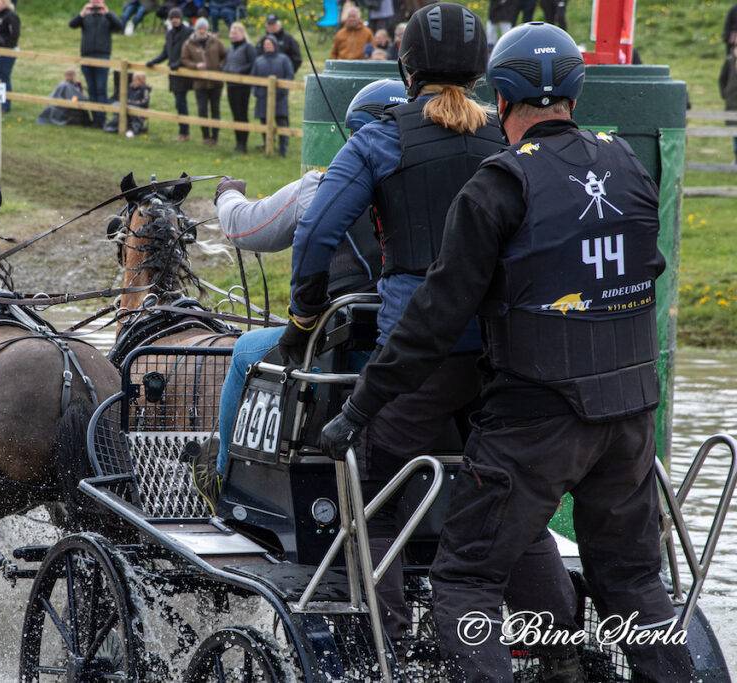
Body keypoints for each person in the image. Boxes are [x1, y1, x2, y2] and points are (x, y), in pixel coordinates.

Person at [317, 19, 696, 681]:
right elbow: (646, 269)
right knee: (635, 580)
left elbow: (434, 318)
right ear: (575, 94)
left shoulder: (501, 182)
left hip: (537, 415)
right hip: (632, 412)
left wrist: (358, 409)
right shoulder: (627, 164)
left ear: (501, 98)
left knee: (465, 578)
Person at [284, 5, 581, 663]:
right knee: (511, 498)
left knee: (374, 496)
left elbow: (315, 235)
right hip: (505, 359)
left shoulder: (381, 139)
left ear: (405, 68)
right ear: (484, 74)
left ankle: (383, 652)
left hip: (415, 358)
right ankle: (561, 649)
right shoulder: (510, 140)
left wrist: (304, 317)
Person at [204, 79, 405, 486]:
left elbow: (244, 226)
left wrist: (227, 194)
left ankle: (222, 477)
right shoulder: (433, 188)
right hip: (410, 345)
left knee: (244, 351)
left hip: (339, 346)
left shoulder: (321, 185)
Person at [70, 0, 121, 127]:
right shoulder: (85, 16)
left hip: (102, 56)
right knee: (91, 89)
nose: (96, 3)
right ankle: (95, 120)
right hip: (86, 56)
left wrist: (107, 13)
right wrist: (82, 13)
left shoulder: (108, 16)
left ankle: (101, 119)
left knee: (101, 89)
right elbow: (72, 24)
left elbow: (120, 26)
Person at [146, 7, 193, 141]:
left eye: (176, 18)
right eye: (172, 18)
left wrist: (179, 63)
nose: (174, 20)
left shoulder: (188, 32)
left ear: (181, 18)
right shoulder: (169, 34)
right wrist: (153, 61)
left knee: (181, 102)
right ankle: (183, 131)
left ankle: (184, 132)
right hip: (173, 73)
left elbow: (191, 52)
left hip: (183, 72)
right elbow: (165, 53)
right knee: (179, 103)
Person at [182, 17, 226, 146]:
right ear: (196, 29)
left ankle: (215, 137)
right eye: (200, 28)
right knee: (202, 110)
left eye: (204, 28)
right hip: (199, 83)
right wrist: (195, 66)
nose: (202, 31)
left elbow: (225, 55)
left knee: (215, 109)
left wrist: (220, 66)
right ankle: (206, 136)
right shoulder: (188, 43)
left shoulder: (215, 41)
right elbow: (184, 59)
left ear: (207, 29)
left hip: (216, 82)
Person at [251, 34, 293, 156]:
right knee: (264, 122)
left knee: (282, 122)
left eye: (269, 44)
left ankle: (283, 149)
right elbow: (253, 78)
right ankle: (267, 145)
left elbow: (289, 75)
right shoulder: (259, 61)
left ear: (274, 45)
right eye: (265, 44)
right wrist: (256, 92)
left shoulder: (283, 59)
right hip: (262, 98)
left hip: (280, 98)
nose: (267, 46)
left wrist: (283, 91)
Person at [223, 21, 256, 153]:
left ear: (242, 33)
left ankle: (243, 143)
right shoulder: (230, 48)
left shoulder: (248, 47)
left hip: (242, 86)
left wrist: (239, 72)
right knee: (235, 114)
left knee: (242, 114)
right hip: (231, 85)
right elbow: (227, 63)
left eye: (235, 33)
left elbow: (252, 64)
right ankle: (238, 142)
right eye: (231, 33)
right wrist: (225, 70)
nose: (233, 35)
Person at [0, 0, 20, 113]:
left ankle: (5, 105)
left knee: (4, 77)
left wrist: (4, 46)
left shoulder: (12, 16)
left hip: (7, 51)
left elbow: (15, 35)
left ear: (5, 4)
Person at [721, 45, 737, 164]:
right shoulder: (729, 61)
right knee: (735, 132)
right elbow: (722, 79)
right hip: (732, 103)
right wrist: (725, 94)